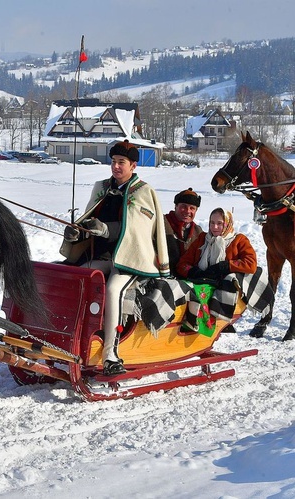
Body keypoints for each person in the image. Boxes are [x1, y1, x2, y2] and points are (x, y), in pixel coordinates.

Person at [61, 140, 170, 375]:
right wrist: (76, 232)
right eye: (113, 162)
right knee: (80, 276)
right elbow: (89, 220)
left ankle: (111, 355)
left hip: (133, 260)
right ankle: (72, 338)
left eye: (121, 162)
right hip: (105, 255)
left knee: (112, 290)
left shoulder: (143, 192)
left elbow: (137, 231)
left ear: (133, 165)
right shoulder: (101, 187)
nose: (116, 167)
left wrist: (106, 229)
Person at [176, 208, 257, 333]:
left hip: (222, 285)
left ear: (227, 224)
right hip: (201, 279)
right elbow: (182, 264)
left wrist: (226, 266)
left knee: (197, 292)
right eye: (212, 223)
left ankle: (199, 324)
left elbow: (251, 264)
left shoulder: (238, 240)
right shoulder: (203, 239)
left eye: (219, 223)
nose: (215, 227)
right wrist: (193, 271)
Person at [165, 188, 204, 275]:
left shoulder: (198, 232)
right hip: (161, 276)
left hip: (187, 278)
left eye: (192, 208)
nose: (188, 211)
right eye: (183, 206)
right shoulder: (162, 223)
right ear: (175, 206)